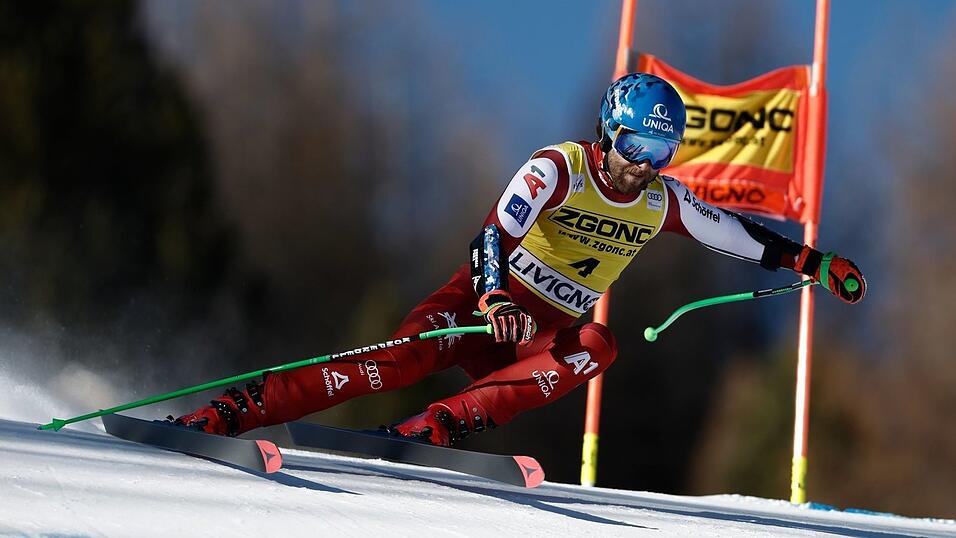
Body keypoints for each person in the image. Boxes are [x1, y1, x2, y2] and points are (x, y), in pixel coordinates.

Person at [173, 73, 865, 446]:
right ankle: (240, 409)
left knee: (598, 345)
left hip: (536, 336)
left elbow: (741, 236)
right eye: (633, 147)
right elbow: (490, 237)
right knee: (398, 361)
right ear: (608, 134)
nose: (641, 167)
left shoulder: (662, 201)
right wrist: (494, 296)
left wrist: (814, 262)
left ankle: (439, 426)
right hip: (481, 305)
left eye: (659, 154)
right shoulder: (558, 168)